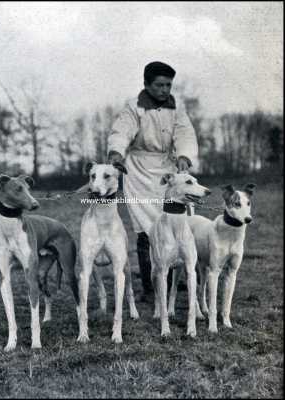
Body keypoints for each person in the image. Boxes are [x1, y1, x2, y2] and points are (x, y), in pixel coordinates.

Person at [107, 61, 198, 302]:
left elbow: (185, 134)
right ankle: (150, 287)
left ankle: (173, 280)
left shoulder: (176, 109)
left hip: (167, 171)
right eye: (159, 85)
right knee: (147, 230)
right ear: (146, 84)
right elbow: (121, 132)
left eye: (168, 85)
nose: (164, 90)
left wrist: (184, 156)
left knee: (178, 223)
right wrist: (116, 152)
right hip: (139, 173)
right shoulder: (133, 108)